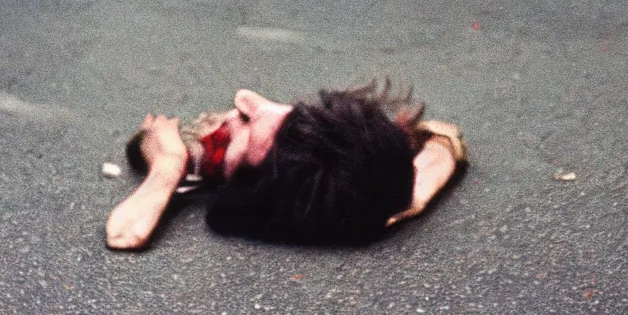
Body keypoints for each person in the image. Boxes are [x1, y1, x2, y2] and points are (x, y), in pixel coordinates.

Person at [105, 82, 467, 250]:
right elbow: (443, 137)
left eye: (244, 127)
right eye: (294, 114)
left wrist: (168, 164)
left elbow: (124, 233)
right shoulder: (387, 193)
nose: (244, 97)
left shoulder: (355, 208)